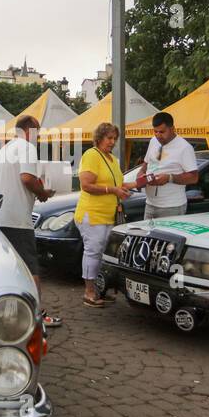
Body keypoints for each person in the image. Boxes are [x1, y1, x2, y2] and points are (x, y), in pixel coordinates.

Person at [0, 115, 60, 328]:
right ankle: (37, 315)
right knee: (31, 269)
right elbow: (27, 178)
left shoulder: (5, 148)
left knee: (7, 268)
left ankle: (7, 311)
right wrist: (43, 193)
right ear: (30, 131)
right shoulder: (27, 147)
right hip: (17, 218)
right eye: (38, 132)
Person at [75, 122, 134, 307]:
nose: (112, 142)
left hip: (109, 215)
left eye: (114, 138)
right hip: (92, 214)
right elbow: (86, 185)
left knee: (102, 254)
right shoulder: (91, 155)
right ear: (99, 138)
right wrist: (113, 190)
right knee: (93, 252)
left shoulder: (112, 159)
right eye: (109, 138)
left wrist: (139, 183)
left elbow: (120, 184)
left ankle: (98, 290)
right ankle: (89, 292)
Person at [136, 112, 199, 220]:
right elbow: (146, 164)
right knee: (147, 236)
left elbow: (194, 177)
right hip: (150, 204)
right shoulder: (153, 141)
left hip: (172, 206)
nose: (158, 135)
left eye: (162, 132)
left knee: (166, 237)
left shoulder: (185, 147)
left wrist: (169, 178)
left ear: (172, 128)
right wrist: (140, 175)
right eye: (155, 131)